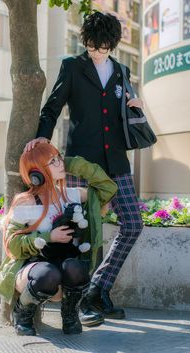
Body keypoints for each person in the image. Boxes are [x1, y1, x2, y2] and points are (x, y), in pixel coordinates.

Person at [25, 11, 144, 325]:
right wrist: (41, 137)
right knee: (84, 232)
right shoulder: (73, 67)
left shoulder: (121, 70)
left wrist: (137, 105)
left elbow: (124, 108)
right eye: (91, 45)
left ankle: (98, 288)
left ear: (112, 43)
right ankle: (79, 303)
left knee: (133, 224)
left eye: (102, 46)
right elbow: (53, 105)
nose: (96, 51)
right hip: (81, 161)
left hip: (116, 161)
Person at [0, 142, 117, 336]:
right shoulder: (25, 202)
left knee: (77, 268)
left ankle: (69, 316)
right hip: (32, 271)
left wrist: (68, 164)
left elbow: (107, 188)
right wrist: (48, 236)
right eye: (53, 162)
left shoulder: (73, 195)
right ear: (37, 172)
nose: (60, 163)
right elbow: (12, 246)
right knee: (48, 273)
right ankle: (22, 313)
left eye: (59, 158)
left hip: (65, 269)